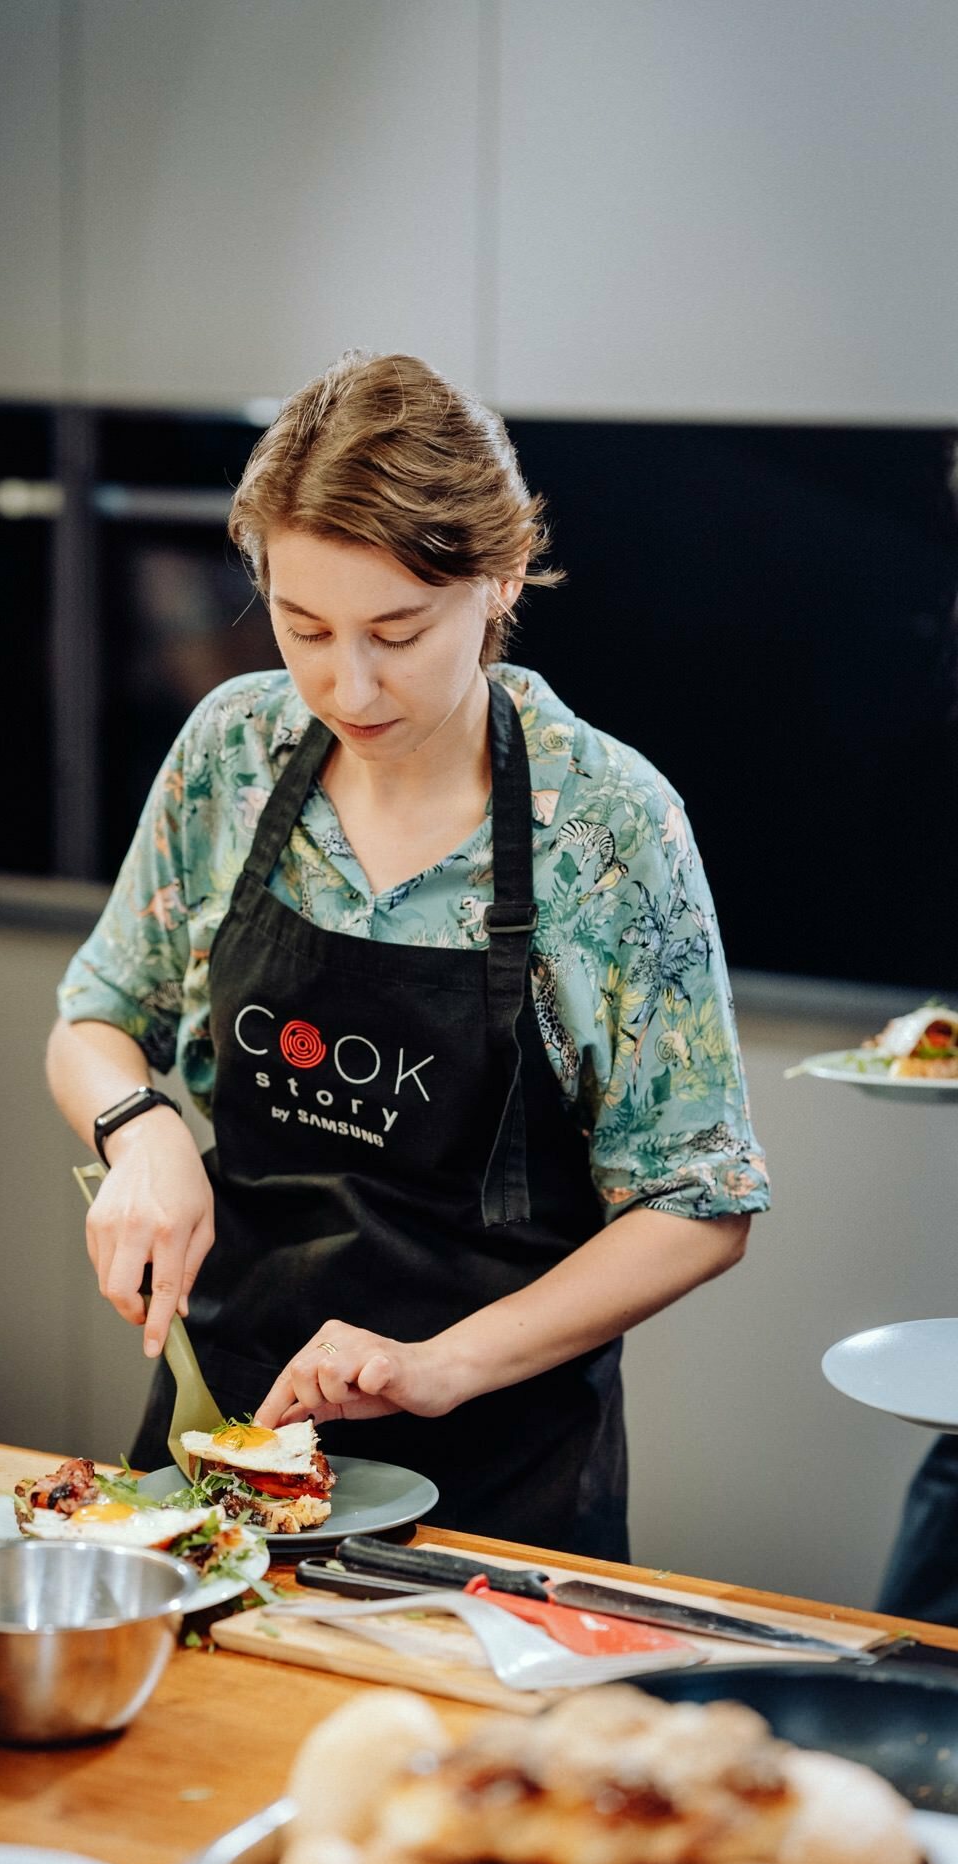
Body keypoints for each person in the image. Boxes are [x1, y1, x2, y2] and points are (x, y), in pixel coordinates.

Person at [47, 352, 769, 1554]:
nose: (345, 683)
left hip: (498, 1484)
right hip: (227, 1432)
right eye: (302, 626)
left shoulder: (605, 826)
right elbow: (94, 1018)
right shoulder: (231, 751)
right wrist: (140, 1129)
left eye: (395, 630)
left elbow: (699, 1203)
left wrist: (438, 1366)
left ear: (495, 585)